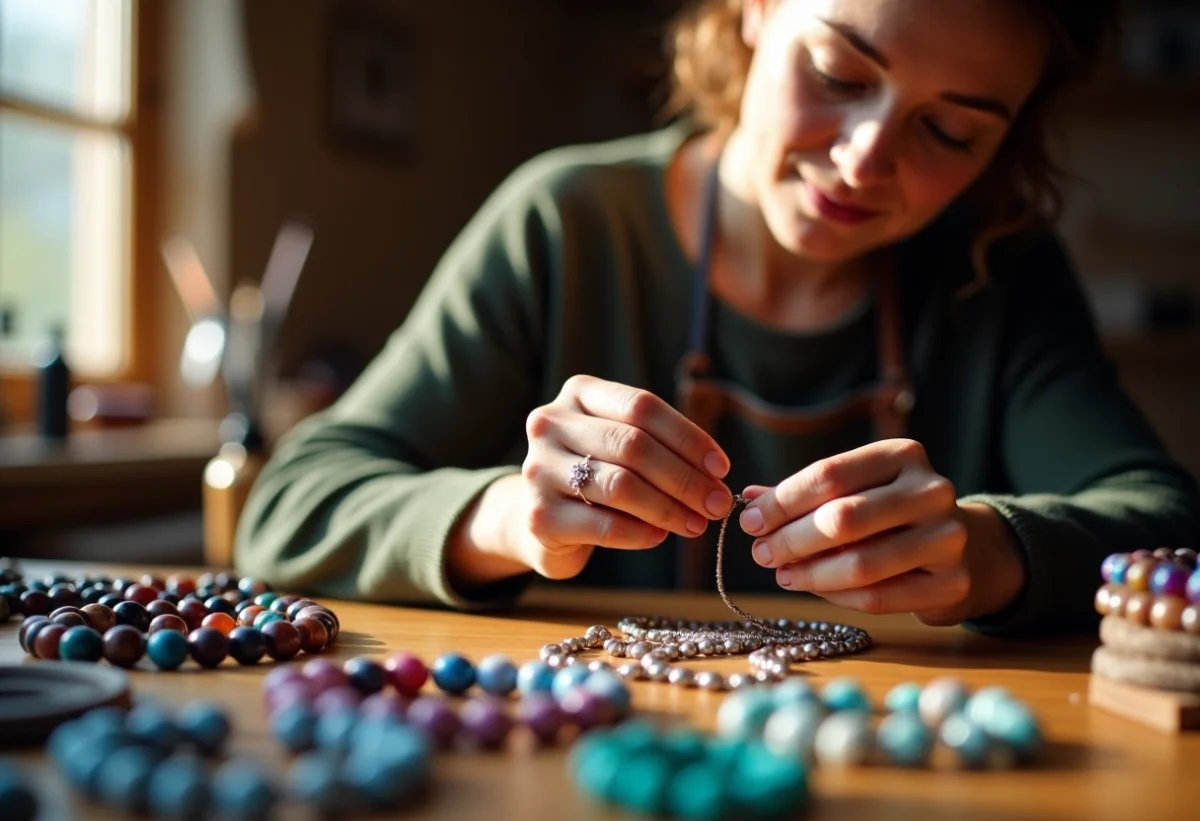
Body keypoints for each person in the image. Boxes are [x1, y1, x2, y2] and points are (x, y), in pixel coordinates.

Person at [234, 0, 1200, 634]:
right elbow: (288, 507)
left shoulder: (1004, 272)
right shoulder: (564, 225)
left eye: (949, 130)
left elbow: (1170, 525)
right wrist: (502, 519)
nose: (866, 159)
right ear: (756, 10)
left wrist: (994, 551)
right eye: (838, 73)